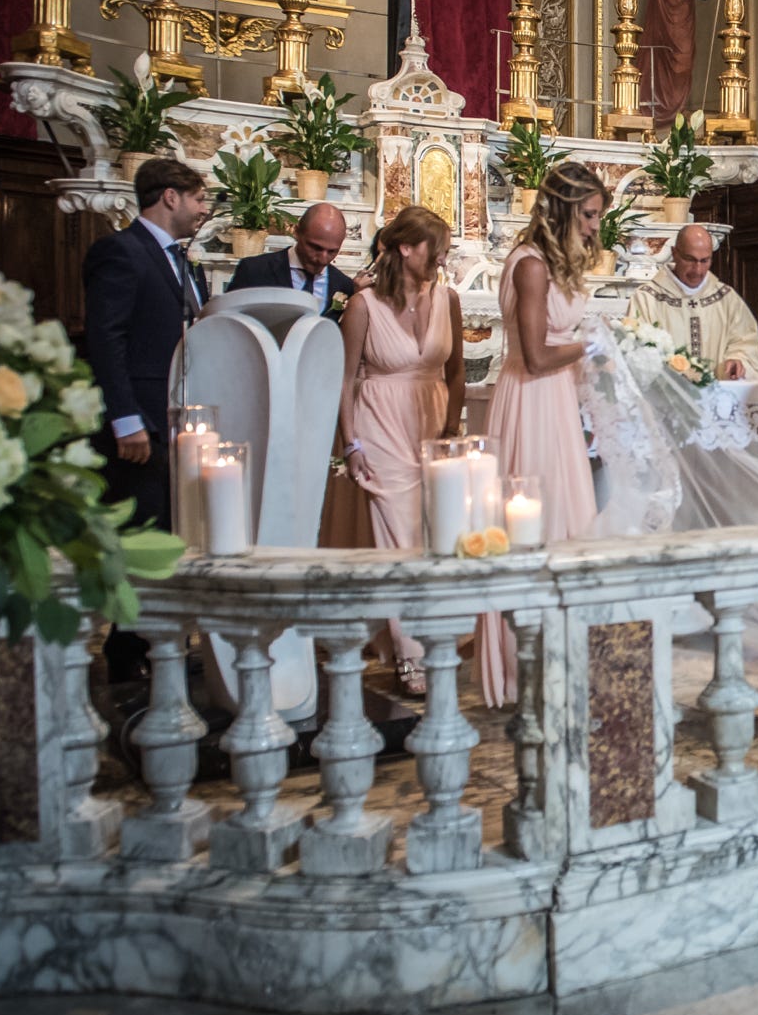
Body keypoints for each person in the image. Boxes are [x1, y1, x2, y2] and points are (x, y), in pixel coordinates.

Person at [476, 162, 607, 706]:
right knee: (533, 524)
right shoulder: (530, 266)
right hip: (530, 401)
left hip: (557, 400)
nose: (597, 226)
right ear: (565, 209)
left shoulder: (560, 262)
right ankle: (520, 665)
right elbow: (533, 357)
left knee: (569, 519)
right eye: (591, 214)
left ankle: (565, 655)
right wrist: (595, 344)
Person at [335, 205, 465, 691]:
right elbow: (344, 381)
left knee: (432, 536)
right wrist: (351, 445)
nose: (444, 257)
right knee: (398, 539)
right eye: (438, 248)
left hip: (431, 423)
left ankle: (432, 638)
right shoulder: (362, 305)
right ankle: (411, 656)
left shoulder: (447, 297)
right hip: (380, 423)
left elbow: (455, 372)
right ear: (406, 248)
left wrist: (452, 426)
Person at [83, 156, 212, 531]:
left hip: (176, 418)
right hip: (141, 420)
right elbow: (106, 338)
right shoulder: (121, 251)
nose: (204, 210)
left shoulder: (186, 262)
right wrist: (125, 418)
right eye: (199, 199)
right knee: (142, 524)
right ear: (171, 197)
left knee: (174, 525)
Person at [627, 223, 758, 379]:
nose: (697, 270)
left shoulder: (727, 299)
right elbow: (635, 352)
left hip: (718, 398)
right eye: (690, 260)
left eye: (704, 261)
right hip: (666, 398)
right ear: (675, 253)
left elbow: (747, 345)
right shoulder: (647, 298)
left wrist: (738, 361)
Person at [228, 201, 356, 311]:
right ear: (296, 232)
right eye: (315, 247)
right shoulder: (254, 270)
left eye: (332, 251)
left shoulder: (344, 285)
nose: (323, 259)